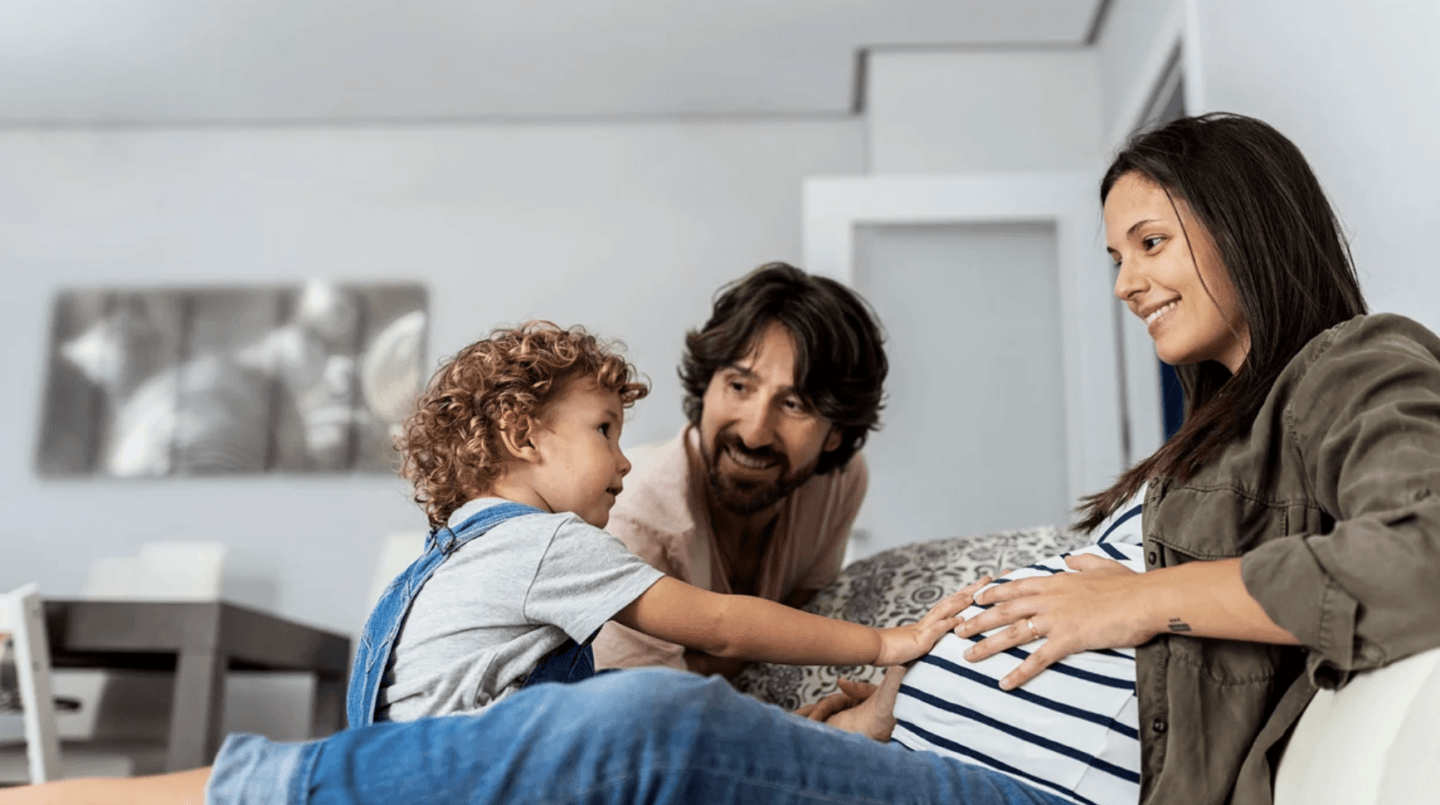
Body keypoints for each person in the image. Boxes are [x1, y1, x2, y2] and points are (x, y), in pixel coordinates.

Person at [8, 112, 1439, 805]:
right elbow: (723, 637)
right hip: (904, 740)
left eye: (1149, 239)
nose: (1126, 282)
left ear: (1246, 219)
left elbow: (1421, 546)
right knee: (635, 727)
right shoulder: (617, 513)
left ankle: (213, 795)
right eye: (1117, 246)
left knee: (647, 735)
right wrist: (875, 702)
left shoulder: (1353, 361)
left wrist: (1124, 601)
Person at [347, 320, 964, 727]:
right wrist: (886, 642)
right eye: (605, 430)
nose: (622, 460)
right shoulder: (545, 542)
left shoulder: (449, 557)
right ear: (522, 435)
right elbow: (721, 624)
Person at [594, 262, 887, 677]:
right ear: (707, 383)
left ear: (835, 432)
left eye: (794, 405)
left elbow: (799, 635)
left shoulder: (838, 483)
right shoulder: (632, 520)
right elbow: (650, 720)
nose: (754, 434)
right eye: (739, 387)